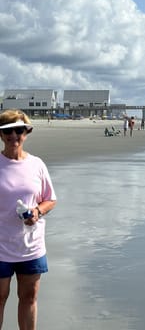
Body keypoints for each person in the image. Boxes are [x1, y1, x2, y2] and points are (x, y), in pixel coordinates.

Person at [0, 109, 57, 330]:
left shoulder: (37, 164)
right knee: (0, 297)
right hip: (1, 245)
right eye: (7, 131)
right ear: (1, 135)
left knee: (29, 298)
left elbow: (50, 199)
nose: (14, 136)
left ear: (27, 132)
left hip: (31, 246)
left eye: (19, 130)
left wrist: (37, 212)